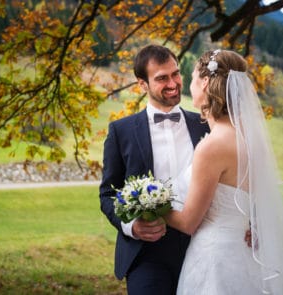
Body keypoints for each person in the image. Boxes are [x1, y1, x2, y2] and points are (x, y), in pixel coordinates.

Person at [164, 49, 283, 294]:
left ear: (205, 82)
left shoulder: (212, 146)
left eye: (191, 78)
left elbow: (188, 222)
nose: (189, 85)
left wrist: (149, 208)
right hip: (246, 257)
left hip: (215, 260)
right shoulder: (249, 139)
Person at [99, 44, 210, 294]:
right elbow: (107, 194)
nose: (173, 83)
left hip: (201, 246)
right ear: (142, 84)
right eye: (161, 78)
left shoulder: (205, 126)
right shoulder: (121, 131)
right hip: (146, 253)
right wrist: (132, 226)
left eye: (176, 74)